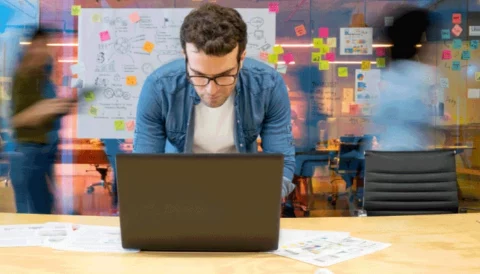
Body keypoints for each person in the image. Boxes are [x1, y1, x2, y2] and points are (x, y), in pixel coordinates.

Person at [133, 4, 296, 208]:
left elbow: (281, 164)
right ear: (185, 57)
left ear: (241, 58)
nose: (211, 90)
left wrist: (264, 200)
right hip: (178, 195)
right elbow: (145, 170)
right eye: (199, 75)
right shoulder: (159, 87)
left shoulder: (269, 85)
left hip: (245, 194)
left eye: (225, 75)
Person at [10, 28, 76, 214]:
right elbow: (18, 119)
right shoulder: (24, 77)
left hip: (44, 152)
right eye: (44, 45)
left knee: (45, 211)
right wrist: (48, 108)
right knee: (33, 217)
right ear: (33, 46)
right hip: (29, 154)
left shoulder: (42, 76)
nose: (48, 51)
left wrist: (60, 106)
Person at [370, 7, 442, 151]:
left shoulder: (388, 75)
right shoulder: (424, 75)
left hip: (389, 154)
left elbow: (378, 116)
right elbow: (428, 117)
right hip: (415, 154)